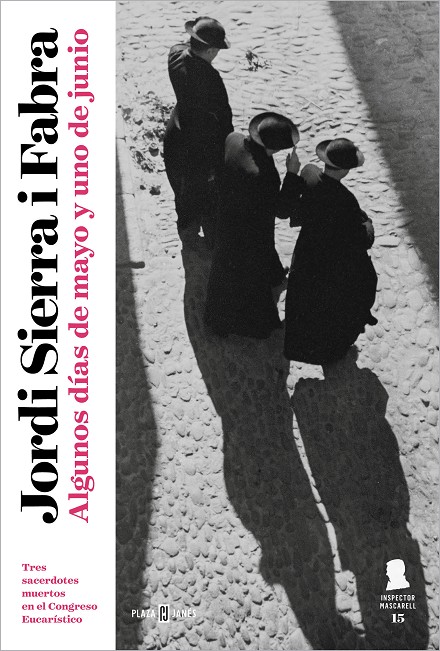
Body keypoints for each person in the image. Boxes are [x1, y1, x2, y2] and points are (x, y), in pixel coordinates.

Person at [204, 112, 305, 339]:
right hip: (248, 233)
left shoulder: (233, 138)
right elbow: (281, 210)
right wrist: (292, 175)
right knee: (245, 280)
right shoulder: (262, 176)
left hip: (227, 218)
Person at [284, 137, 377, 365]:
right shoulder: (346, 200)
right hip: (331, 260)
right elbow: (361, 239)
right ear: (345, 170)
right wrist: (368, 224)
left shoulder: (309, 173)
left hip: (307, 251)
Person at [163, 17, 233, 247]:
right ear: (211, 50)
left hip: (176, 134)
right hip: (201, 147)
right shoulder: (211, 80)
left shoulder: (175, 55)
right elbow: (224, 121)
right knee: (207, 195)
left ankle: (187, 232)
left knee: (181, 192)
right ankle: (209, 242)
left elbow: (184, 46)